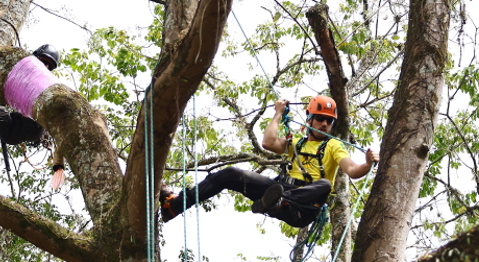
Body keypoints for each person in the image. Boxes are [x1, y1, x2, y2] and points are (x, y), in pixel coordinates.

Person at [160, 95, 379, 227]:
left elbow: (351, 169)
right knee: (229, 174)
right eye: (320, 119)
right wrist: (277, 114)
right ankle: (175, 205)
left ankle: (279, 200)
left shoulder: (333, 146)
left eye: (329, 121)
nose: (324, 125)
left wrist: (367, 164)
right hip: (279, 190)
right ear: (309, 118)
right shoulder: (298, 143)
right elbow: (268, 142)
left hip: (304, 205)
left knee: (325, 185)